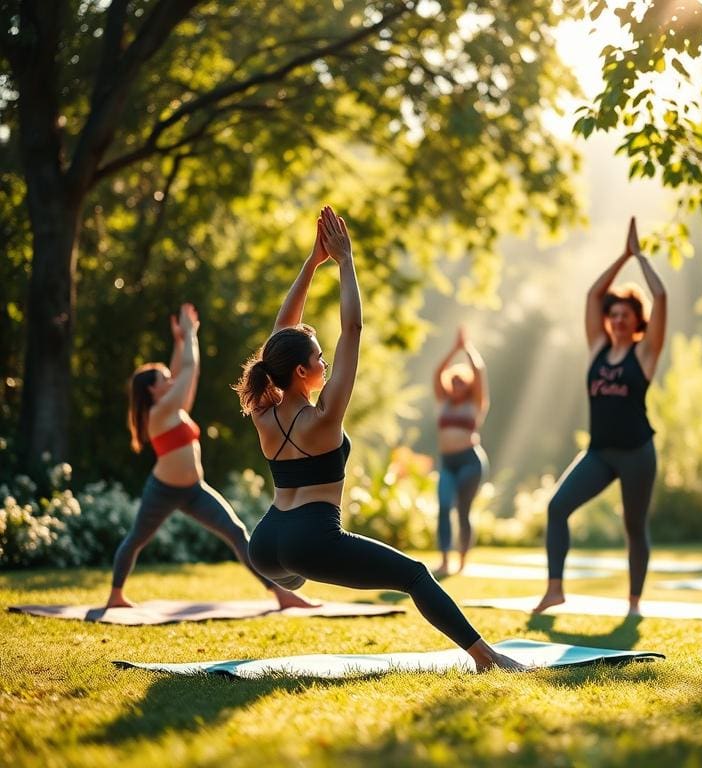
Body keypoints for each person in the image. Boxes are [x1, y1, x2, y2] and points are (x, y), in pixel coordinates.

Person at [235, 206, 523, 670]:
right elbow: (353, 329)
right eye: (320, 359)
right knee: (414, 575)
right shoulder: (325, 415)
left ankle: (294, 577)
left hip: (265, 544)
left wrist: (312, 264)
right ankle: (487, 657)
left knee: (298, 572)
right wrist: (345, 262)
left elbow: (279, 338)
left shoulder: (263, 410)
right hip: (309, 541)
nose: (327, 364)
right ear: (303, 372)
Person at [108, 303, 311, 609]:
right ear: (152, 391)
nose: (171, 381)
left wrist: (180, 341)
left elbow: (179, 371)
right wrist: (191, 334)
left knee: (236, 532)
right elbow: (189, 371)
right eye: (164, 380)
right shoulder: (160, 413)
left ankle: (281, 594)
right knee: (137, 539)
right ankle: (115, 596)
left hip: (194, 490)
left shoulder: (168, 407)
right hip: (162, 491)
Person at [534, 217, 666, 616]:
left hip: (637, 451)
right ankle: (555, 590)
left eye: (626, 314)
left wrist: (640, 258)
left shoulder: (644, 354)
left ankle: (634, 603)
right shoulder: (596, 348)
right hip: (600, 452)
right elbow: (594, 295)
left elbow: (660, 297)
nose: (618, 319)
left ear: (636, 321)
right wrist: (621, 256)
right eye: (615, 315)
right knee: (557, 508)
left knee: (634, 528)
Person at [432, 327, 489, 576]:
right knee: (444, 506)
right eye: (452, 380)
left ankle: (463, 560)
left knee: (463, 510)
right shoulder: (443, 402)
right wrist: (453, 350)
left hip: (470, 462)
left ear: (467, 386)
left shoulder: (475, 403)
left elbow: (479, 373)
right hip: (448, 462)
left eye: (460, 382)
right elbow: (437, 373)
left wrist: (467, 349)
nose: (455, 384)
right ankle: (445, 560)